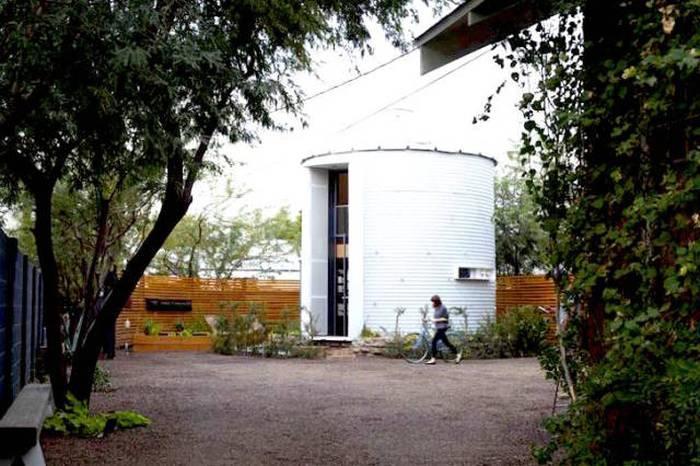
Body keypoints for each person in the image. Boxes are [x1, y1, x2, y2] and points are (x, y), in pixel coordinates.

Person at [424, 295, 462, 365]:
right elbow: (436, 317)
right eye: (432, 302)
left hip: (443, 327)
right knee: (446, 343)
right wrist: (428, 319)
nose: (433, 303)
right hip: (439, 327)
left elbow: (445, 318)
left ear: (437, 301)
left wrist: (435, 320)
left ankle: (433, 359)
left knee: (434, 341)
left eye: (434, 301)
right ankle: (458, 355)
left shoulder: (443, 308)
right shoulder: (436, 308)